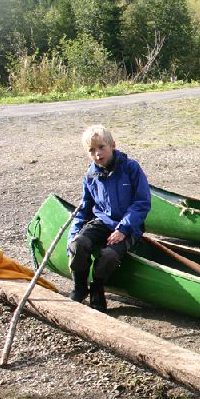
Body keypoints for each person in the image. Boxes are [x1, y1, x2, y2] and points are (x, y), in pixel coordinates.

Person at [68, 125, 151, 312]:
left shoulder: (130, 168)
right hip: (102, 221)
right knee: (78, 244)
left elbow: (141, 203)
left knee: (109, 255)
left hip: (129, 226)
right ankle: (80, 287)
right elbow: (85, 208)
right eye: (91, 150)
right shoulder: (91, 174)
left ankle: (97, 288)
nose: (97, 154)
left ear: (112, 145)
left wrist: (123, 229)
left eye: (101, 147)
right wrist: (72, 239)